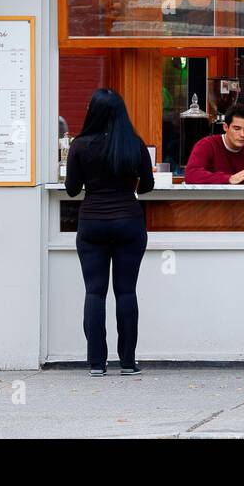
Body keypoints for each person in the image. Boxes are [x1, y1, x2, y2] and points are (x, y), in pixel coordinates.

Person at [64, 88, 155, 376]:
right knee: (126, 291)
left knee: (95, 292)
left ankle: (96, 363)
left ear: (94, 112)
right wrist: (130, 191)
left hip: (92, 223)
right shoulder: (134, 144)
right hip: (129, 221)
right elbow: (148, 184)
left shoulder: (80, 146)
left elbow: (72, 189)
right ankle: (128, 362)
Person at [184, 103, 244, 183]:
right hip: (209, 195)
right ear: (225, 127)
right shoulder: (207, 145)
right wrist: (229, 179)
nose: (242, 134)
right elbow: (191, 175)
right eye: (237, 128)